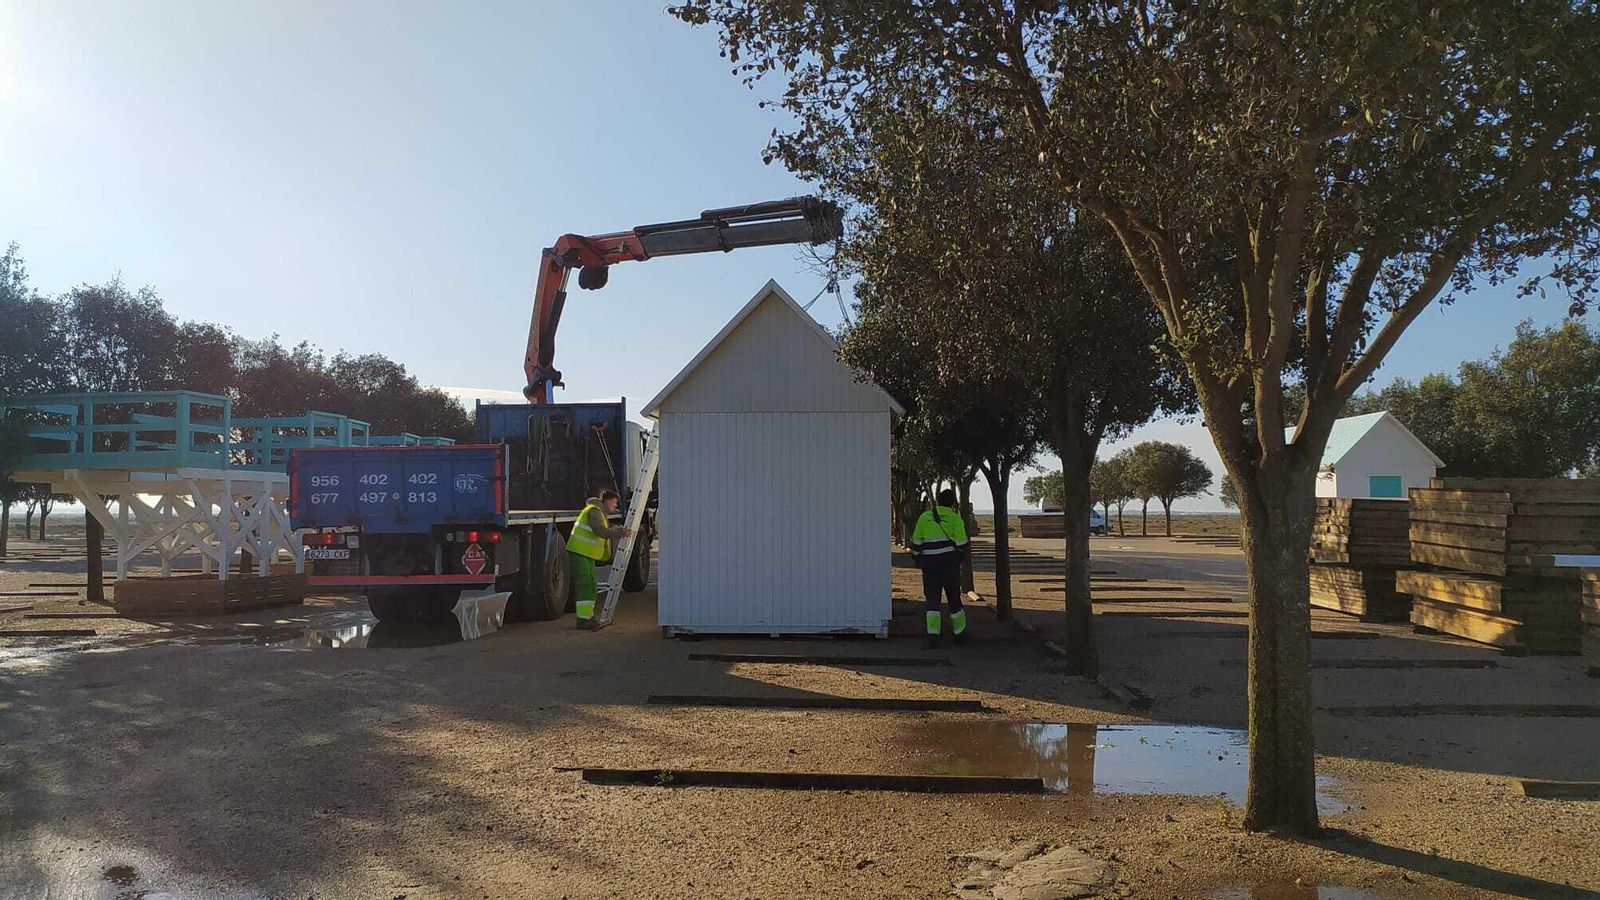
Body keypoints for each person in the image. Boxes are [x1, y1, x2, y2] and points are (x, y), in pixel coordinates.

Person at [909, 489, 970, 649]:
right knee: (954, 599)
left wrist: (918, 559)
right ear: (953, 503)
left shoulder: (924, 517)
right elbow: (962, 544)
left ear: (937, 501)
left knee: (932, 601)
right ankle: (959, 634)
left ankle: (933, 635)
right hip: (950, 566)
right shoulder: (955, 519)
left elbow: (915, 544)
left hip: (930, 567)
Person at [568, 489, 632, 628]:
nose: (615, 506)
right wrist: (620, 533)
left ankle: (587, 616)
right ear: (607, 501)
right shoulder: (594, 511)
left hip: (586, 553)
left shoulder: (599, 513)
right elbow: (600, 531)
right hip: (579, 551)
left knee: (591, 584)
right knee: (585, 583)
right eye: (614, 502)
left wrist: (617, 530)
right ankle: (583, 619)